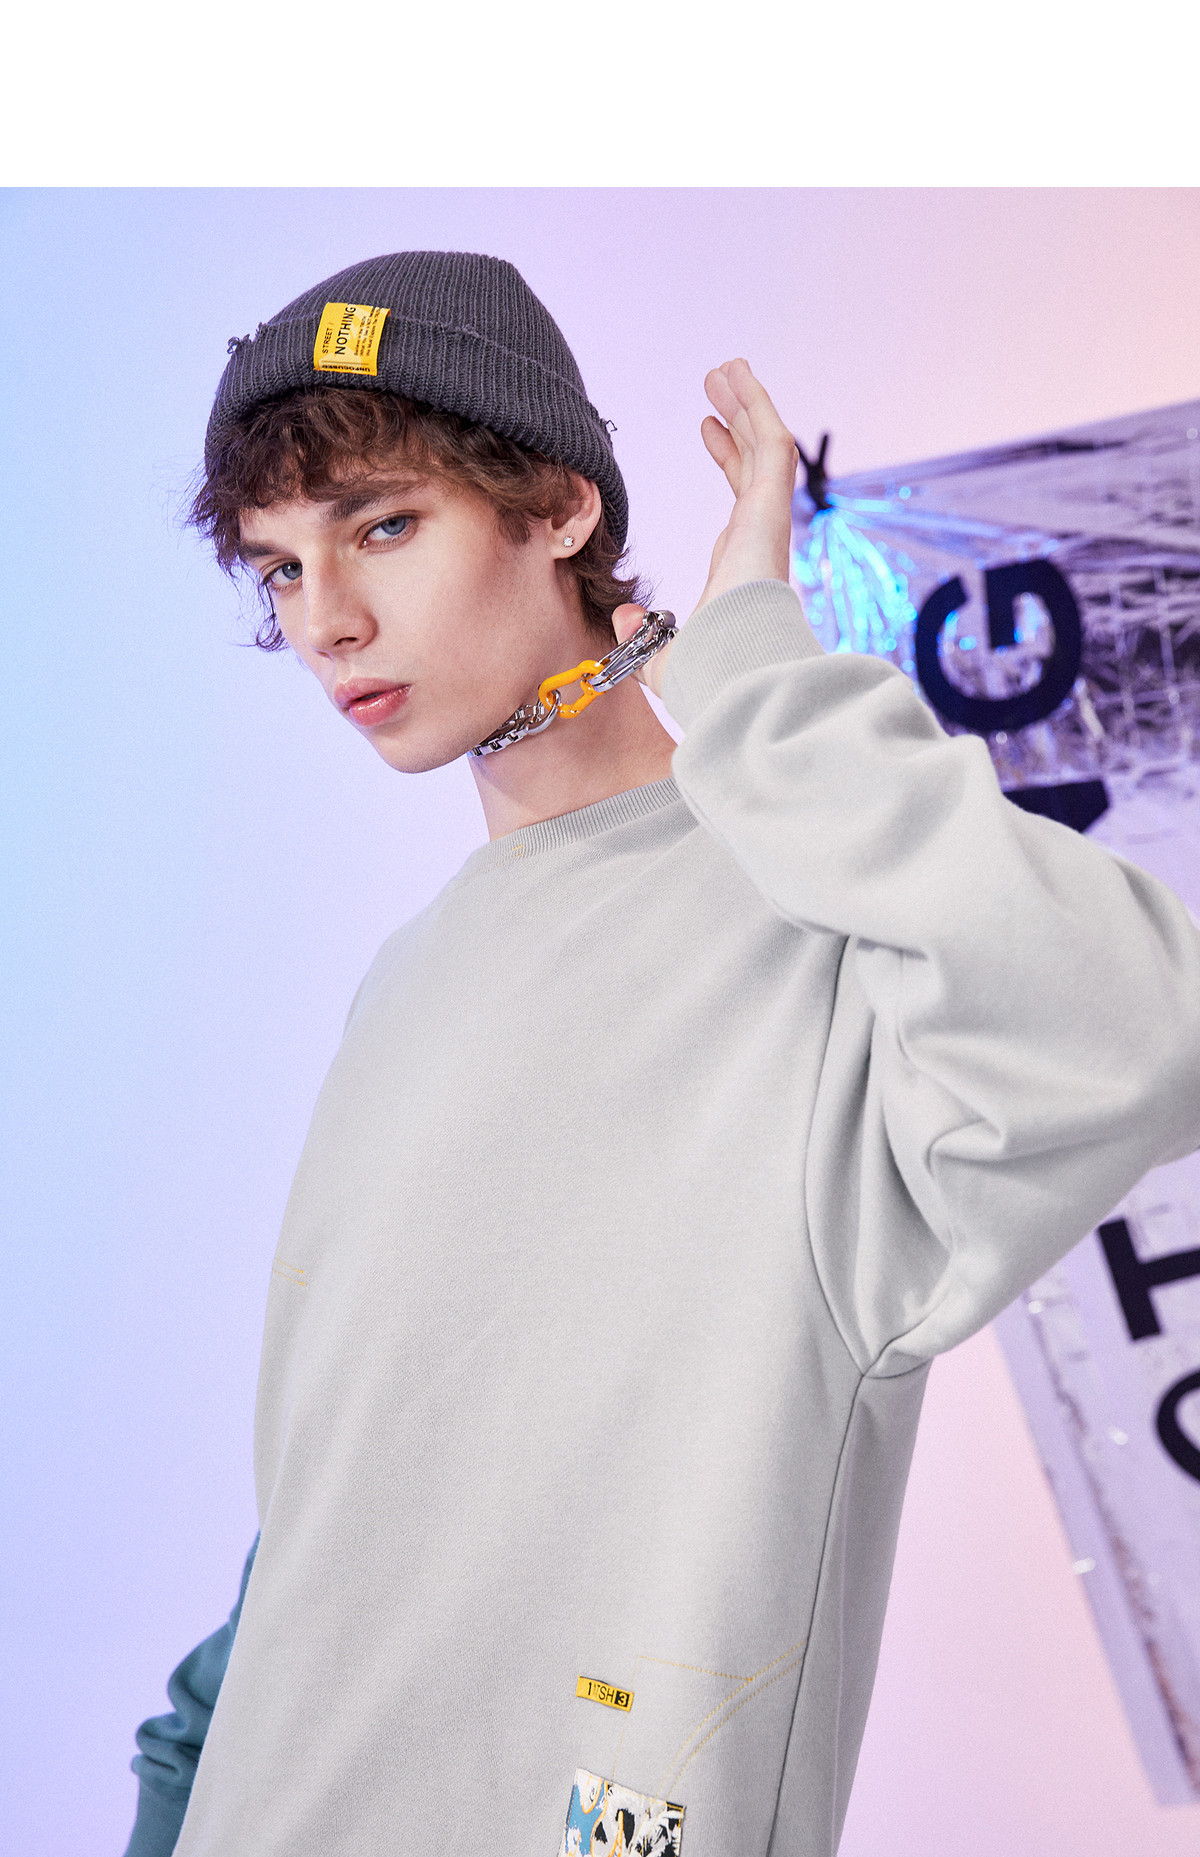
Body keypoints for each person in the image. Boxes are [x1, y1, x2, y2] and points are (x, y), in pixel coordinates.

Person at [122, 250, 1200, 1857]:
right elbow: (338, 1505)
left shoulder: (820, 937)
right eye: (279, 568)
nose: (326, 620)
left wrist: (756, 668)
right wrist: (176, 1792)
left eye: (384, 526)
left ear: (561, 508)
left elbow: (1141, 1028)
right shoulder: (408, 978)